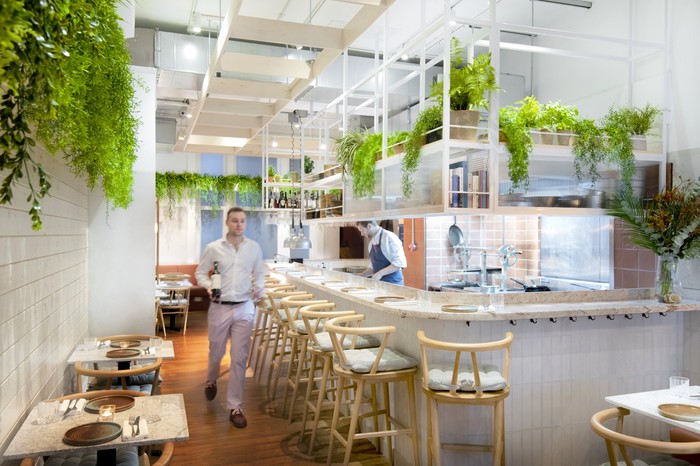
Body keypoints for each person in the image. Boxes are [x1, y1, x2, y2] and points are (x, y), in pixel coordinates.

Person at [195, 207, 265, 429]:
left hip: (244, 307)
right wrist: (207, 286)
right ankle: (211, 379)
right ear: (227, 222)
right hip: (219, 307)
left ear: (245, 223)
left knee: (239, 357)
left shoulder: (253, 249)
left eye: (242, 221)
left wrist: (259, 289)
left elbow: (260, 275)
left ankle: (235, 407)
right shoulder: (213, 248)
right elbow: (199, 273)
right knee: (216, 351)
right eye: (234, 221)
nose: (239, 225)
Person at [356, 220, 407, 285]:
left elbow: (400, 262)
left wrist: (380, 273)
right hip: (380, 285)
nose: (362, 234)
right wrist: (360, 276)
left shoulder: (389, 237)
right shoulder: (371, 244)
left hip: (393, 284)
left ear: (369, 226)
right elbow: (372, 267)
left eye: (362, 230)